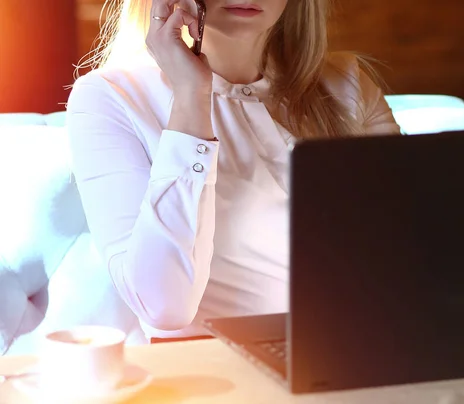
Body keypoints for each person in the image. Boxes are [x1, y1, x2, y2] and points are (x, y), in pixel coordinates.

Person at [66, 0, 401, 342]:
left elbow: (407, 256)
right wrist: (191, 96)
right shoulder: (110, 98)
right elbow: (165, 308)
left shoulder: (347, 83)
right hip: (213, 375)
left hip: (359, 356)